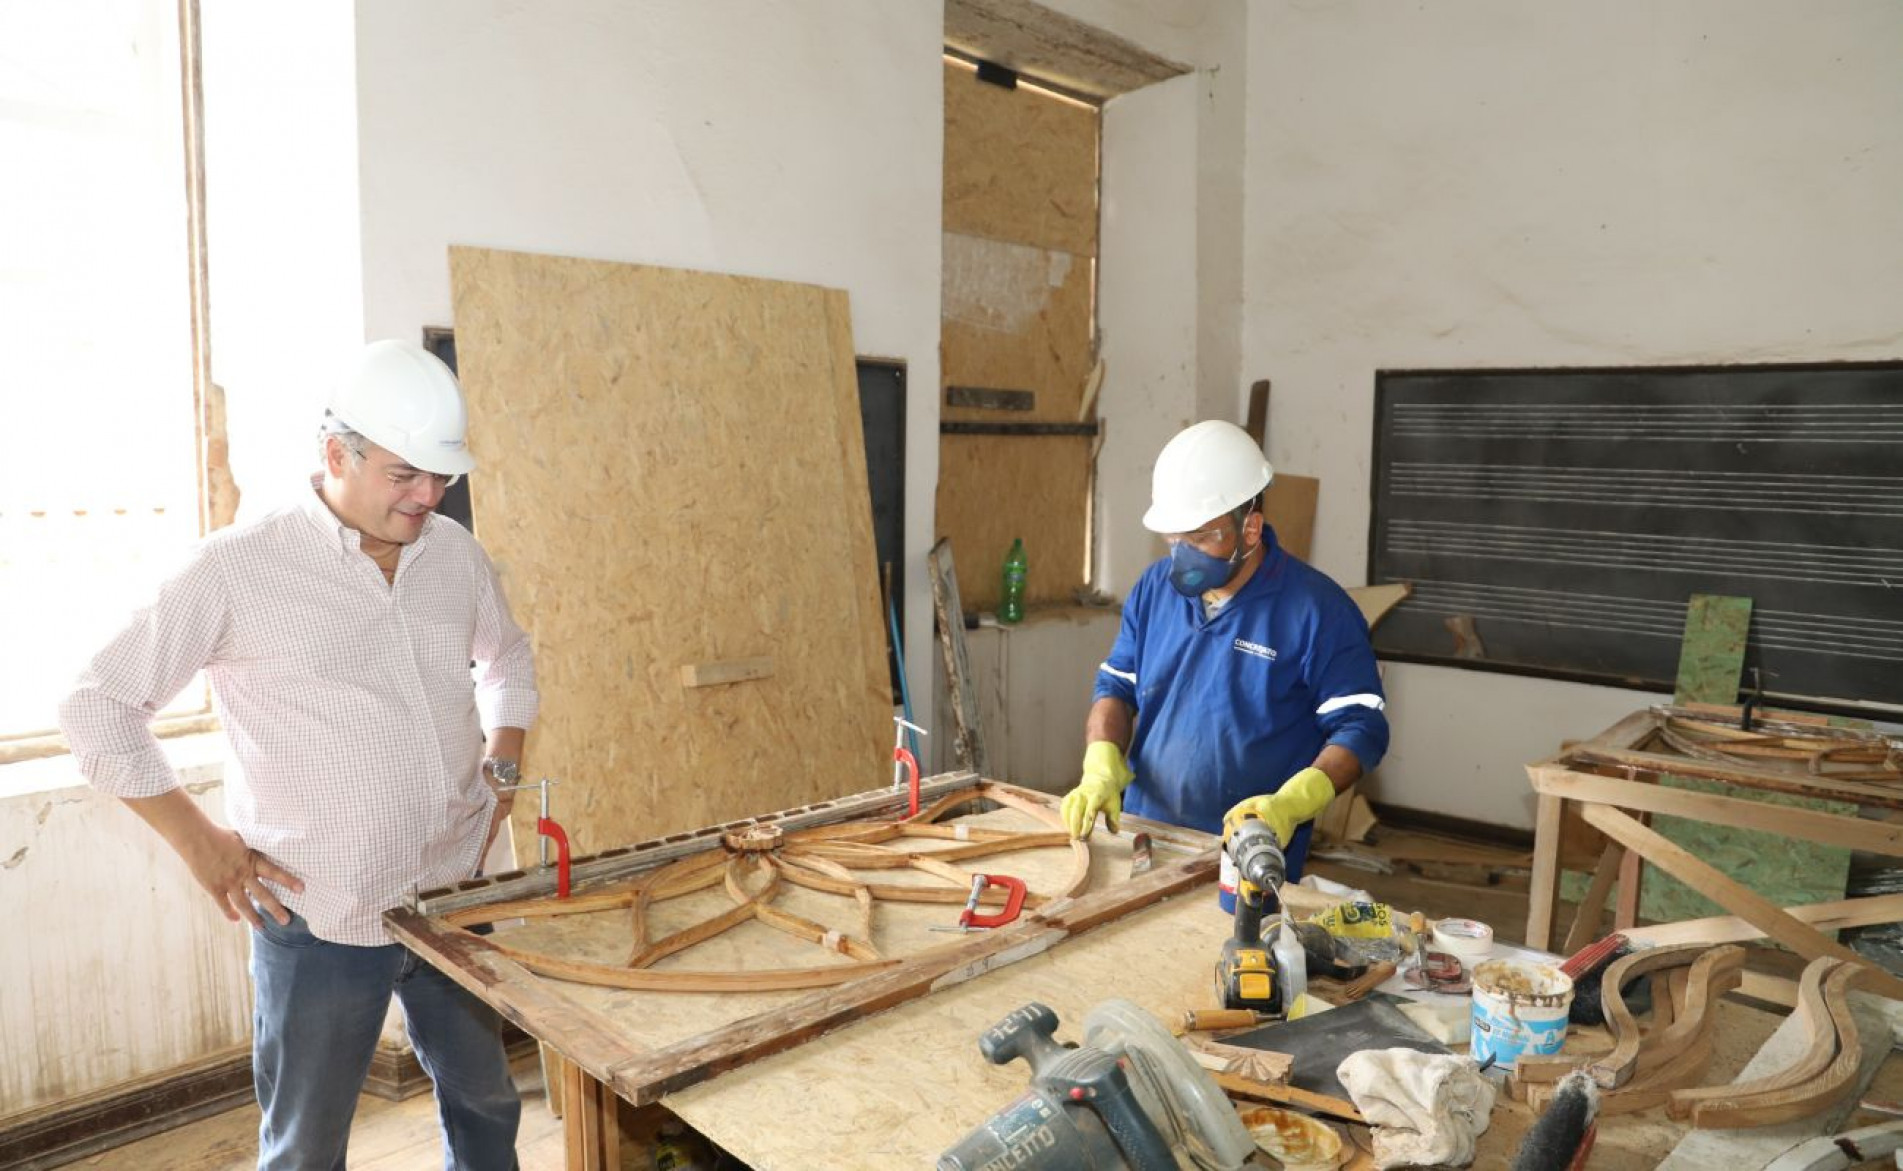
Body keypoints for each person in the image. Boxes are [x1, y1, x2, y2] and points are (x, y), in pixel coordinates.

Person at [59, 340, 536, 1171]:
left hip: (452, 891)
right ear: (334, 455)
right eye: (403, 474)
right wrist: (201, 842)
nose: (428, 496)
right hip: (320, 915)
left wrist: (502, 761)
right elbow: (95, 706)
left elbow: (508, 659)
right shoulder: (235, 567)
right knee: (306, 1147)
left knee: (487, 1103)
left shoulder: (453, 553)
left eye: (440, 476)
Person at [1060, 420, 1388, 880]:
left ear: (1250, 528)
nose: (1182, 556)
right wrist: (1100, 761)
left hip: (1249, 852)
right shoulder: (1154, 589)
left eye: (1198, 538)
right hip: (1145, 834)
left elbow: (1360, 728)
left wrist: (1291, 804)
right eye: (1174, 538)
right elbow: (1117, 685)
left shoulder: (1318, 611)